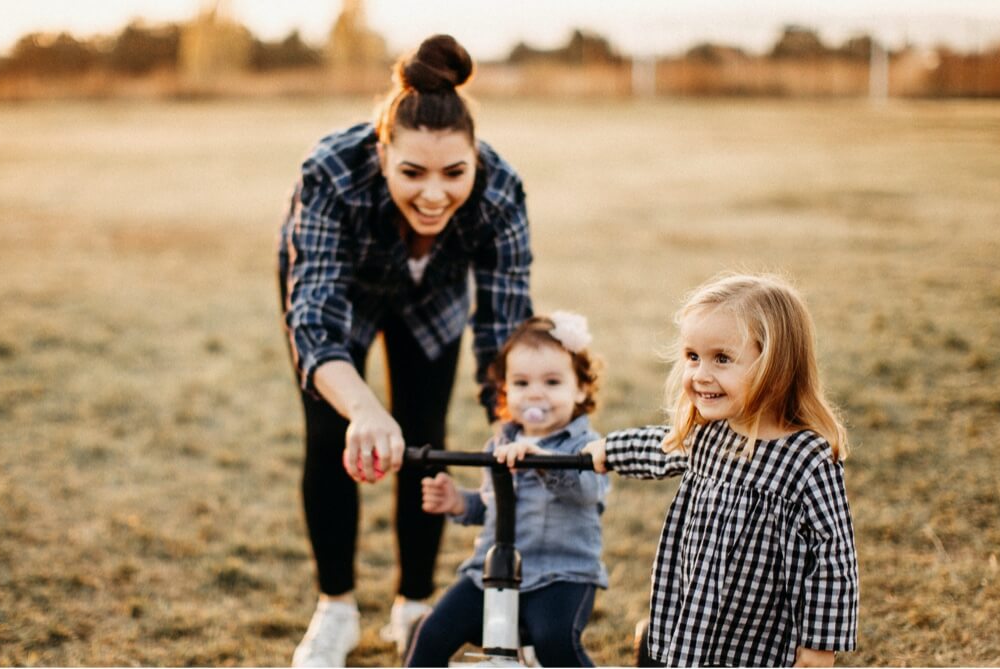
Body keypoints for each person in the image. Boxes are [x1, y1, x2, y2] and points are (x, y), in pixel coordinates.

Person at [277, 34, 533, 667]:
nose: (434, 194)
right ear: (381, 153)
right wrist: (361, 409)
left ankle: (413, 606)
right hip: (342, 299)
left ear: (477, 159)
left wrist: (510, 425)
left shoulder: (501, 193)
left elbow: (504, 326)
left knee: (423, 434)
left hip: (433, 299)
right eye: (412, 172)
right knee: (336, 433)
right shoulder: (332, 171)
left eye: (455, 173)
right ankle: (335, 608)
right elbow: (313, 318)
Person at [581, 273, 859, 667]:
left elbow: (833, 556)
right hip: (696, 616)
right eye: (692, 357)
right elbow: (662, 447)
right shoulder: (710, 435)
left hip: (757, 633)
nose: (700, 375)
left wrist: (819, 644)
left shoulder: (806, 458)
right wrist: (609, 449)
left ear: (776, 368)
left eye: (722, 359)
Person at [408, 312, 608, 667]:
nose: (535, 393)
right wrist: (460, 503)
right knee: (432, 633)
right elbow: (494, 506)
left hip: (560, 574)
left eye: (551, 382)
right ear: (504, 390)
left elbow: (588, 492)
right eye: (521, 383)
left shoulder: (587, 447)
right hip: (492, 574)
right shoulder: (501, 442)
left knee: (554, 643)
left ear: (580, 387)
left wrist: (543, 460)